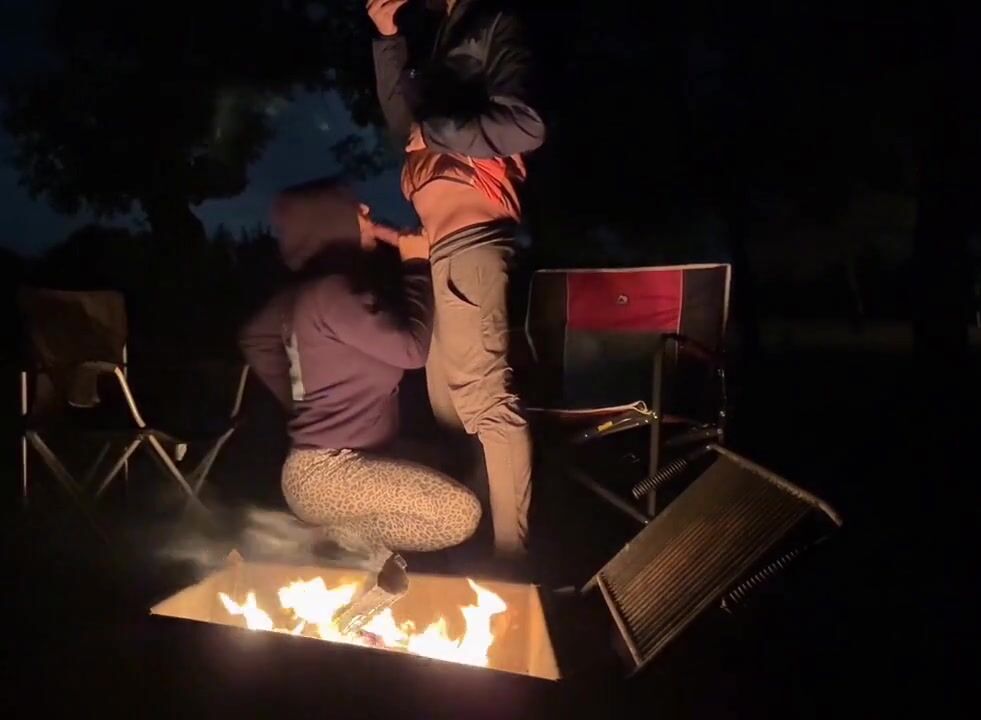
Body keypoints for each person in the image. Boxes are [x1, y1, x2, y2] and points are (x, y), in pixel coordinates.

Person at [368, 0, 546, 561]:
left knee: (486, 405)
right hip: (441, 249)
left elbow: (525, 125)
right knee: (448, 406)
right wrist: (387, 39)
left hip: (472, 241)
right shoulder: (442, 38)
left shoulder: (496, 23)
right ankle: (474, 535)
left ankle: (512, 560)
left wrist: (434, 132)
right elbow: (405, 127)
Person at [239, 178, 481, 570]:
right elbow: (411, 350)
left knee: (448, 460)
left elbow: (256, 337)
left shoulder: (313, 292)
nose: (368, 212)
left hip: (335, 465)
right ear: (329, 223)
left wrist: (303, 400)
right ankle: (328, 541)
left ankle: (343, 546)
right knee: (459, 513)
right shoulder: (329, 293)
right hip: (329, 474)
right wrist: (416, 264)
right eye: (356, 209)